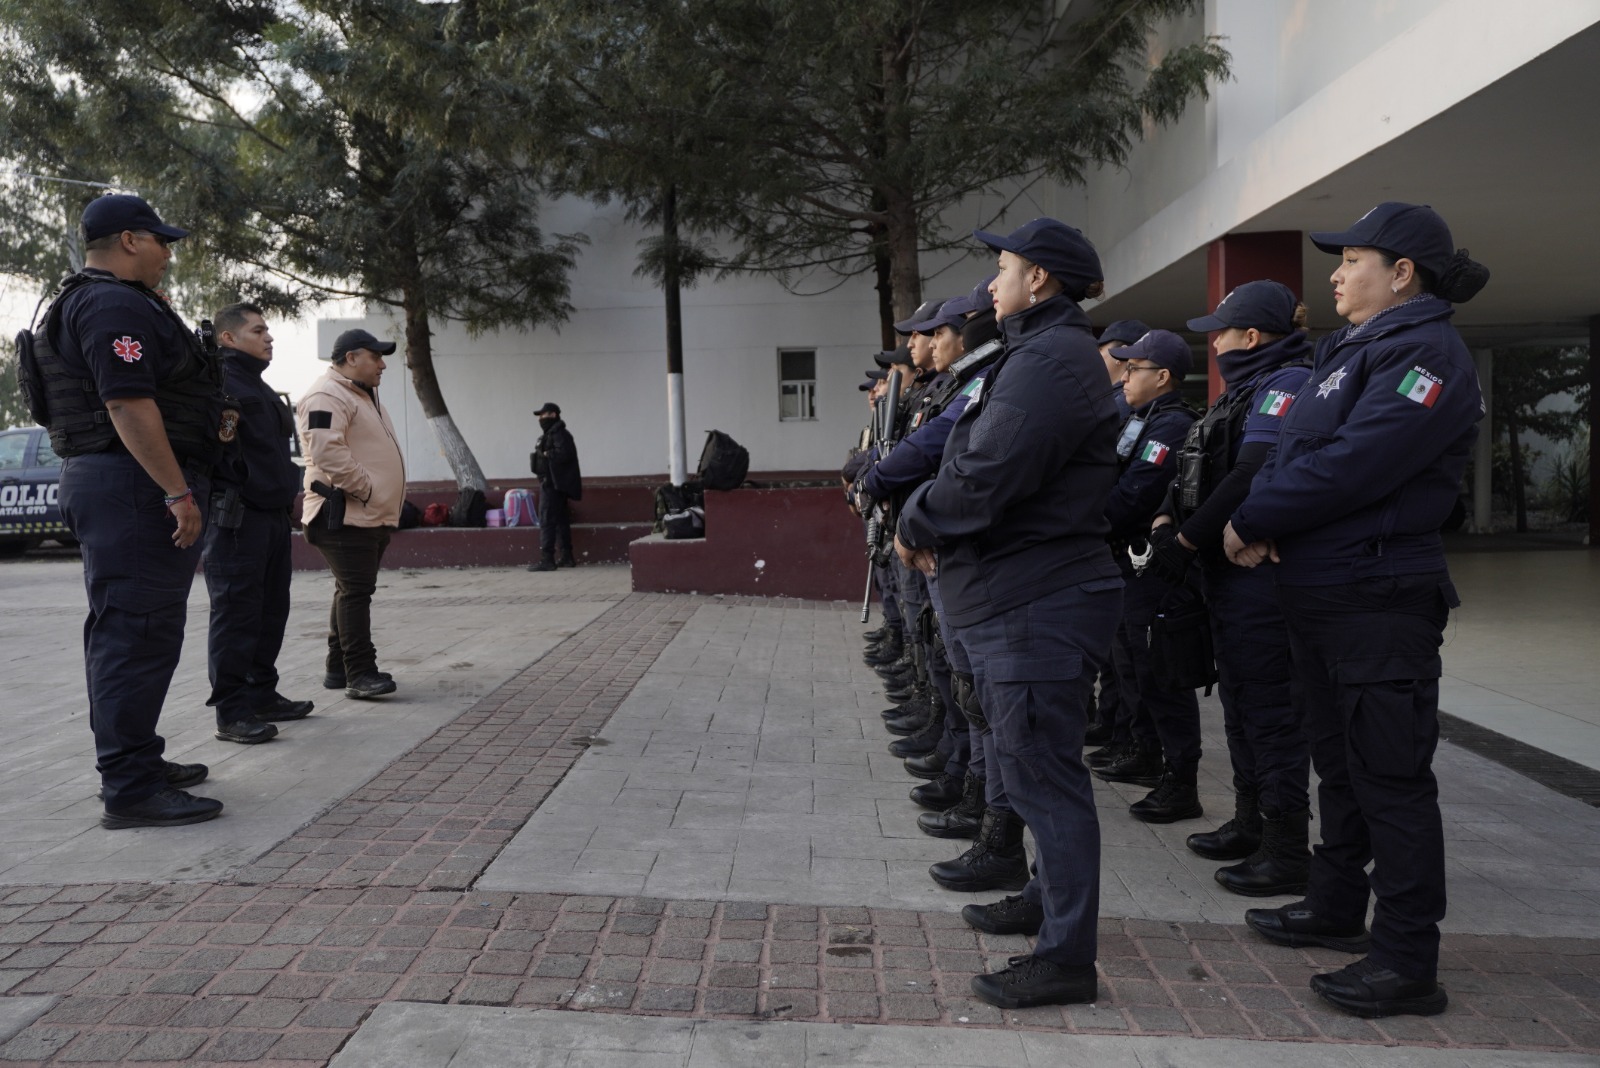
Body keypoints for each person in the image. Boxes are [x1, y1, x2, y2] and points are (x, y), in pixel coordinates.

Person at [1224, 203, 1489, 1018]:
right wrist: (1267, 516)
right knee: (1338, 765)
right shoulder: (1353, 350)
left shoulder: (1427, 355)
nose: (1335, 275)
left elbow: (1354, 463)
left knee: (1391, 779)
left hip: (1379, 600)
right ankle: (1337, 905)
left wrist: (1252, 519)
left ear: (1402, 273)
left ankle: (1406, 960)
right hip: (1326, 593)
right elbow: (1292, 455)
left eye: (1351, 260)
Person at [897, 218, 1124, 1009]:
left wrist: (915, 522)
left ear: (1042, 280)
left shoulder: (1049, 362)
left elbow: (983, 473)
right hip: (1020, 595)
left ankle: (1065, 958)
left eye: (1004, 267)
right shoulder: (1036, 354)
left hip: (1037, 602)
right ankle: (1042, 900)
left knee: (1045, 778)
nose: (993, 284)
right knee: (1030, 773)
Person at [46, 194, 225, 828]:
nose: (168, 254)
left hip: (117, 481)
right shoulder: (112, 304)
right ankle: (130, 787)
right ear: (129, 240)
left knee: (128, 630)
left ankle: (136, 762)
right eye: (159, 241)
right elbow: (127, 403)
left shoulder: (104, 300)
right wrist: (177, 492)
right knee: (136, 634)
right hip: (133, 486)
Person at [1148, 281, 1315, 896]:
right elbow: (1196, 467)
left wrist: (1187, 541)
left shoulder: (1287, 384)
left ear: (1251, 336)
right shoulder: (1242, 391)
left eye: (1220, 332)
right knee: (1241, 705)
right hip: (1225, 574)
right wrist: (1167, 516)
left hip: (1258, 581)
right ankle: (1250, 823)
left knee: (1271, 714)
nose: (1213, 342)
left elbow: (1249, 474)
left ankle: (1286, 849)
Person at [1098, 330, 1202, 822]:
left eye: (1133, 368)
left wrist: (1080, 521)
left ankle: (1180, 780)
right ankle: (1143, 751)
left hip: (1150, 566)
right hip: (1126, 561)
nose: (1124, 376)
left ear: (1161, 377)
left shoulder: (1171, 425)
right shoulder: (1142, 419)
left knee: (1159, 672)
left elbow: (1132, 495)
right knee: (1130, 665)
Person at [203, 303, 314, 745]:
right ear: (228, 338)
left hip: (270, 516)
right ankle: (231, 712)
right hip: (237, 519)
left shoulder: (257, 385)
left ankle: (262, 695)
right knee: (236, 615)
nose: (269, 337)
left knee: (271, 610)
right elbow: (216, 453)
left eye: (268, 330)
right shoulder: (220, 384)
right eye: (257, 330)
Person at [297, 328, 406, 700]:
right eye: (375, 357)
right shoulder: (327, 395)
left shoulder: (359, 394)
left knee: (350, 590)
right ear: (351, 357)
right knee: (356, 593)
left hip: (364, 514)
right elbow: (327, 453)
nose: (382, 365)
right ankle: (360, 673)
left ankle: (338, 668)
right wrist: (369, 490)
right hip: (341, 514)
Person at [528, 402, 582, 571]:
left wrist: (546, 454)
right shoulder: (553, 434)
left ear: (553, 415)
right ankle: (566, 557)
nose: (540, 419)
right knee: (560, 521)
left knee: (546, 519)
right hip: (555, 483)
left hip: (552, 484)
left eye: (543, 415)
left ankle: (547, 559)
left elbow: (564, 454)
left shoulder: (559, 434)